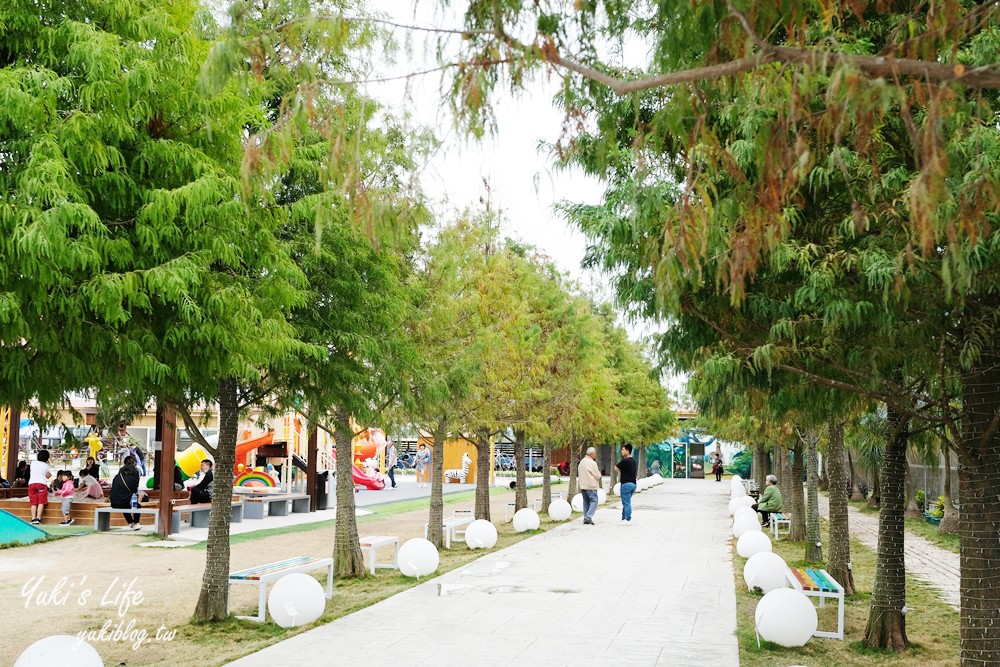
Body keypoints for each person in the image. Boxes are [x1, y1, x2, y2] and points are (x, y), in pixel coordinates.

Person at [110, 455, 142, 530]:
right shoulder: (133, 478)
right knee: (136, 505)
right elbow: (134, 492)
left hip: (114, 502)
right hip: (125, 502)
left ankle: (131, 523)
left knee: (124, 501)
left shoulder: (117, 477)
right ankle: (136, 522)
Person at [578, 446, 602, 525]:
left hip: (582, 485)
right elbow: (597, 475)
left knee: (586, 502)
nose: (595, 455)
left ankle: (586, 517)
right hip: (591, 485)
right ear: (592, 454)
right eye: (595, 453)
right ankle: (588, 517)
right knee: (594, 501)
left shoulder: (581, 462)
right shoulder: (592, 462)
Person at [27, 450, 52, 525]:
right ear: (47, 458)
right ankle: (38, 518)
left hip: (31, 484)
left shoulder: (33, 463)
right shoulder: (46, 465)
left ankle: (33, 518)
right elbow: (48, 476)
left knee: (33, 502)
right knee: (41, 501)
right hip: (41, 483)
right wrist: (49, 474)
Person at [615, 444, 638, 524]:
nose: (621, 451)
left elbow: (615, 468)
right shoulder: (633, 461)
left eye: (623, 450)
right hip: (633, 484)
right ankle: (624, 518)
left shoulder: (625, 461)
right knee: (626, 501)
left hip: (626, 485)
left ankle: (627, 519)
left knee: (626, 503)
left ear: (627, 451)